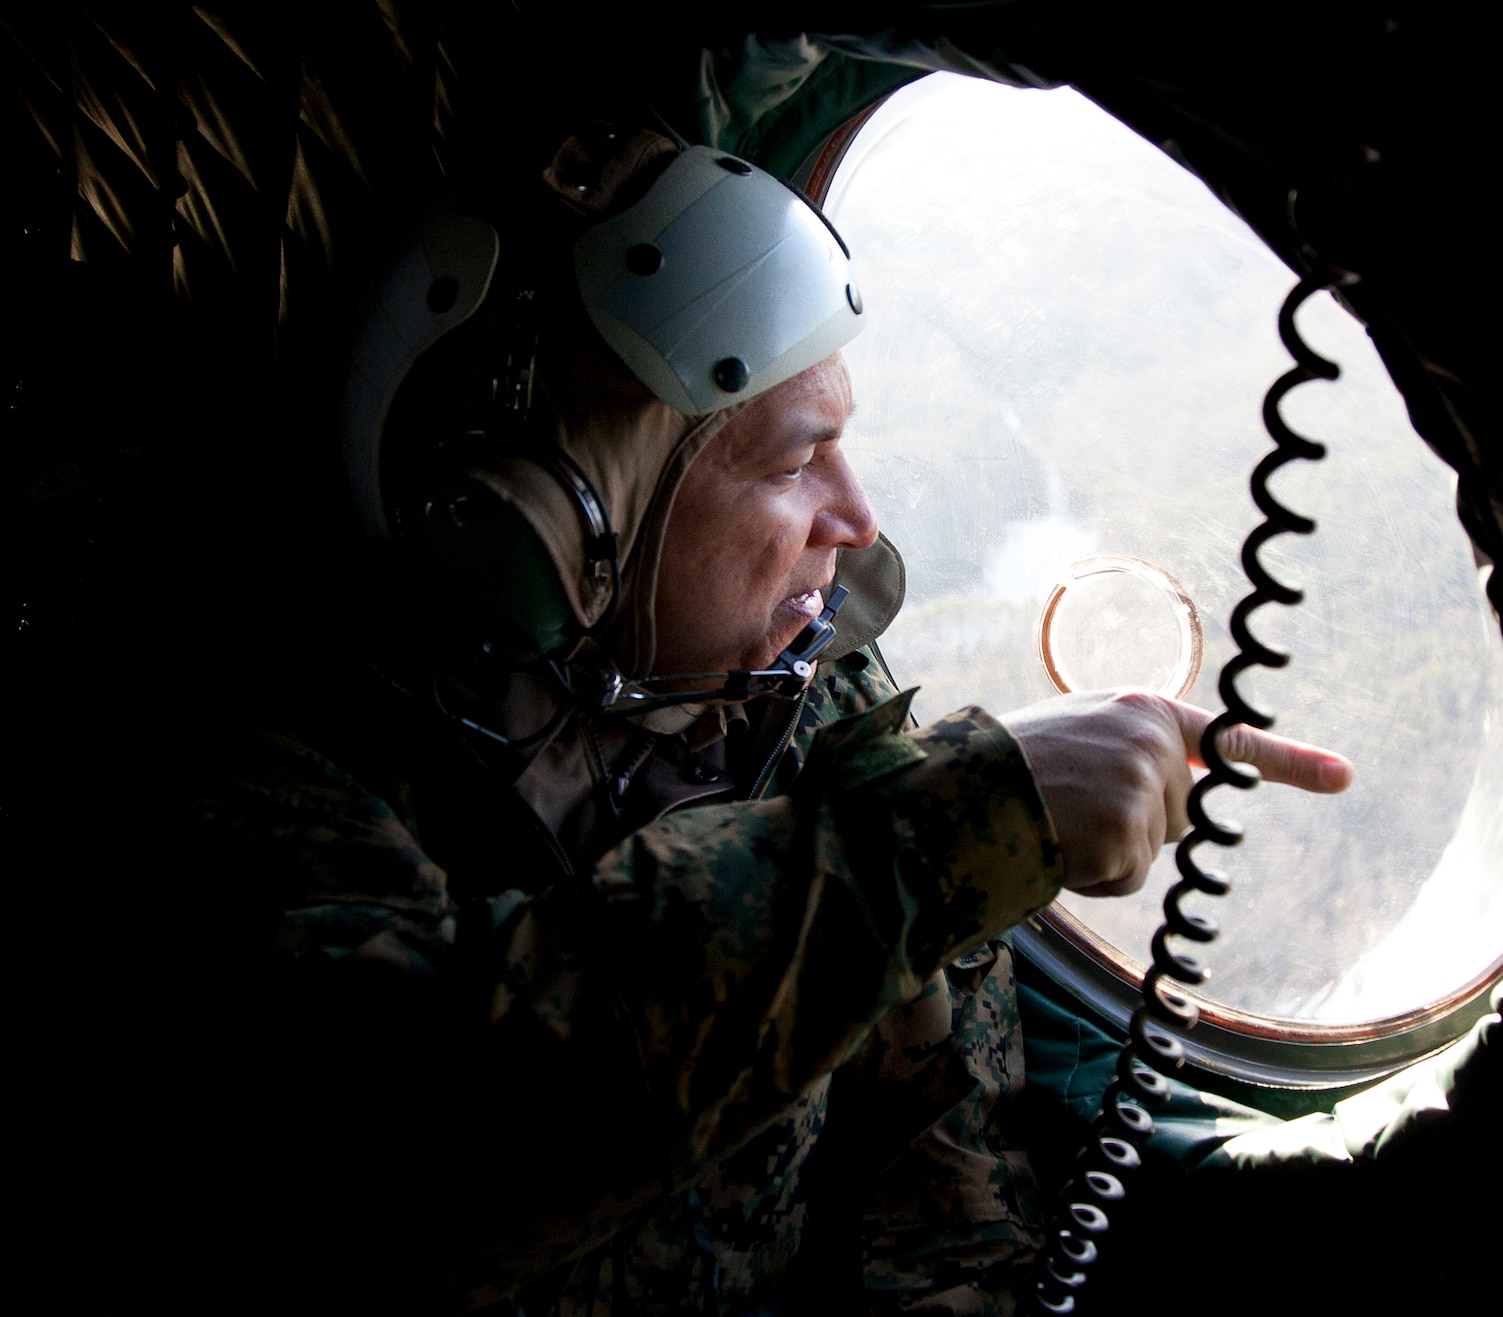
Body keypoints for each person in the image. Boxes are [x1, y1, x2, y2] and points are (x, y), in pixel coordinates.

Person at [180, 126, 1351, 1315]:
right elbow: (406, 1163)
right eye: (795, 463)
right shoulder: (270, 770)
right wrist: (939, 835)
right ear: (550, 524)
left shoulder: (807, 688)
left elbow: (939, 1171)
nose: (857, 515)